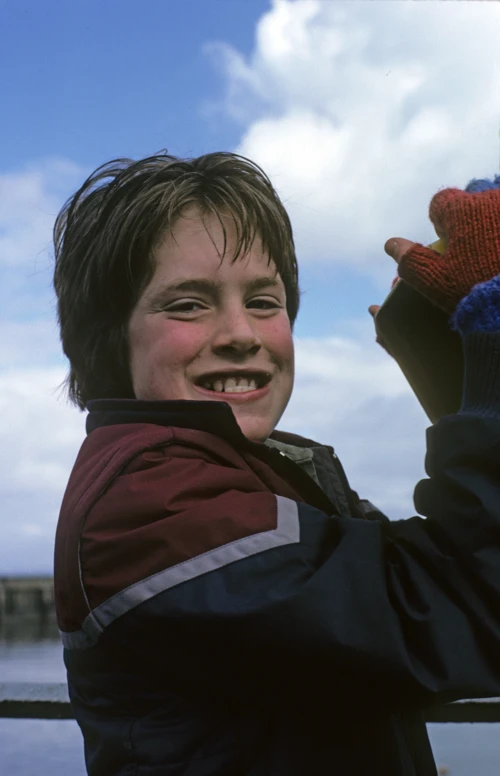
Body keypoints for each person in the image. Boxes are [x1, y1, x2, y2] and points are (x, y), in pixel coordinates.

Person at [53, 152, 500, 776]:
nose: (243, 332)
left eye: (265, 300)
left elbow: (430, 570)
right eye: (187, 304)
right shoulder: (154, 509)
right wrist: (492, 330)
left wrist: (445, 366)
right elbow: (467, 606)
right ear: (108, 335)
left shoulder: (250, 475)